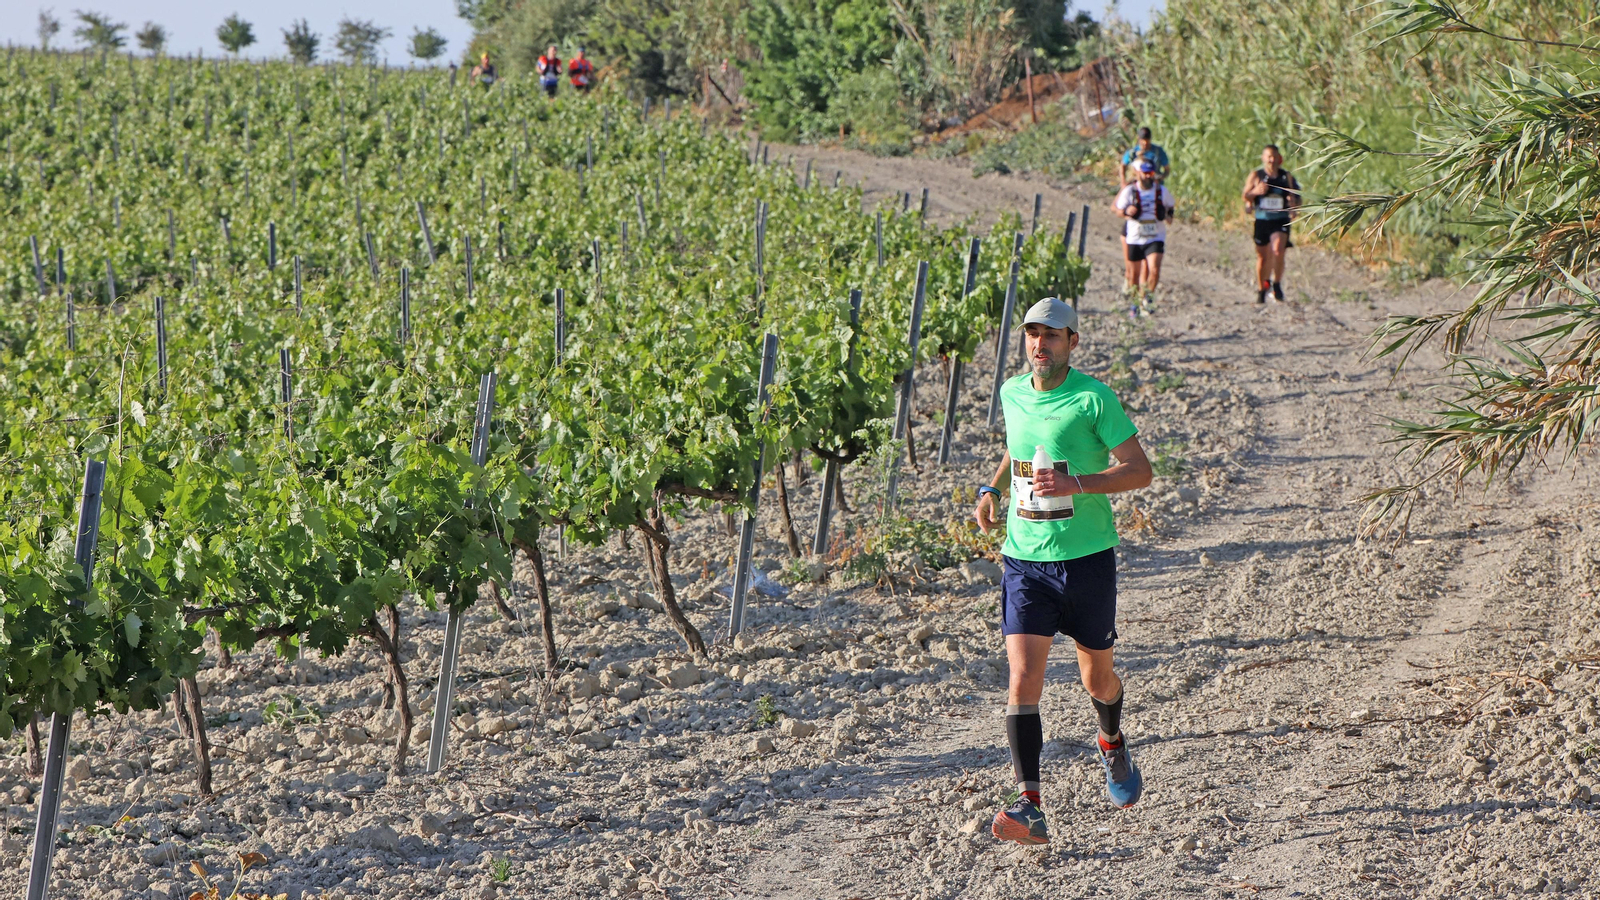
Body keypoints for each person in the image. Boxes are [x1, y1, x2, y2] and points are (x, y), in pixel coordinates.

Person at [975, 296, 1153, 846]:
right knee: (1022, 677)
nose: (1039, 344)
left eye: (1051, 335)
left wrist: (1080, 484)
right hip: (1025, 560)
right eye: (1032, 333)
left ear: (1072, 342)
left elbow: (1140, 472)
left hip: (1086, 560)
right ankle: (1029, 803)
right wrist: (993, 488)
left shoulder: (1094, 399)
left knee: (1096, 677)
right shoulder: (1010, 392)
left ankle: (1111, 741)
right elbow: (1018, 450)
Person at [1113, 160, 1177, 309]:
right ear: (1139, 173)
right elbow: (1117, 210)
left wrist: (1168, 216)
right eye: (1145, 173)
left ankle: (1147, 298)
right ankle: (1134, 303)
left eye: (1151, 173)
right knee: (1134, 275)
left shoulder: (1161, 191)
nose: (1148, 176)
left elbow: (1171, 207)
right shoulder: (1130, 191)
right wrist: (1127, 211)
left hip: (1155, 236)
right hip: (1135, 236)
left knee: (1154, 269)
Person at [1242, 144, 1301, 303]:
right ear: (1263, 158)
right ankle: (1262, 288)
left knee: (1278, 251)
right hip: (1262, 220)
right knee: (1262, 257)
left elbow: (1297, 196)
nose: (1272, 160)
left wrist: (1294, 204)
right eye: (1269, 156)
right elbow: (1245, 196)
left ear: (1279, 158)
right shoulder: (1256, 175)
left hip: (1280, 220)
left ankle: (1276, 284)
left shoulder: (1286, 177)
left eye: (1275, 156)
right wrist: (1256, 192)